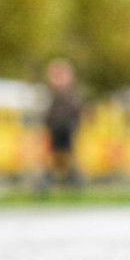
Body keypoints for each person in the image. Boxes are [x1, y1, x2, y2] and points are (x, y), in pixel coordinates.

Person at [43, 58, 83, 188]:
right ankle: (53, 178)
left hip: (67, 129)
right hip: (54, 129)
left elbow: (77, 111)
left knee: (68, 154)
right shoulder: (50, 96)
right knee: (54, 155)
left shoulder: (72, 96)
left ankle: (70, 179)